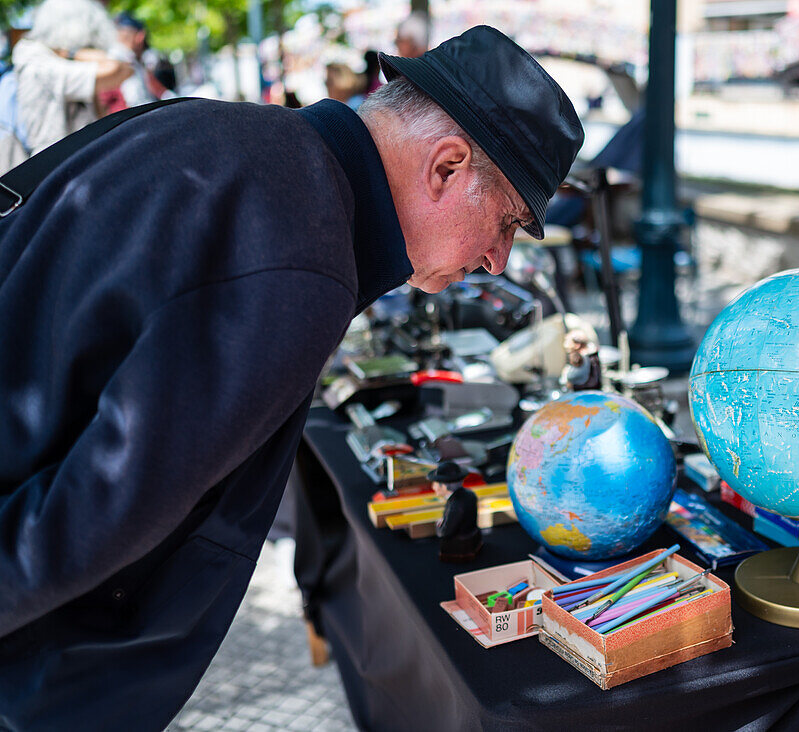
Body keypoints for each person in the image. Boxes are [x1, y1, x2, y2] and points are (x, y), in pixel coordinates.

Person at [0, 24, 582, 729]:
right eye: (508, 223)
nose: (498, 259)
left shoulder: (213, 129)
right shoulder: (305, 255)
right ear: (448, 166)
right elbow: (94, 516)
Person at [0, 0, 131, 173]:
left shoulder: (59, 59)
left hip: (70, 165)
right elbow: (118, 69)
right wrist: (72, 52)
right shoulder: (38, 61)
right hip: (46, 173)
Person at [429, 461, 481, 562]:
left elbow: (444, 532)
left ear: (445, 486)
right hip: (471, 535)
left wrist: (439, 525)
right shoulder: (470, 494)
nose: (433, 487)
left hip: (460, 544)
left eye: (435, 483)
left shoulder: (455, 505)